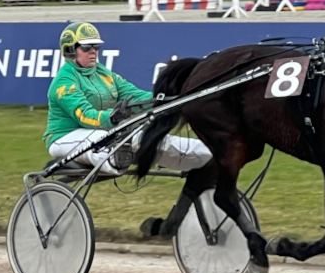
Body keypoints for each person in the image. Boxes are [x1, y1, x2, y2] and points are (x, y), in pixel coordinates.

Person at [43, 21, 212, 176]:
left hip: (104, 132)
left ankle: (209, 156)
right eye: (87, 47)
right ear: (70, 50)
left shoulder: (104, 74)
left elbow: (135, 96)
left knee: (148, 137)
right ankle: (116, 159)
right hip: (65, 137)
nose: (93, 51)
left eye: (96, 46)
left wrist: (166, 99)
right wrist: (113, 117)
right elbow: (85, 116)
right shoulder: (64, 82)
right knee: (106, 139)